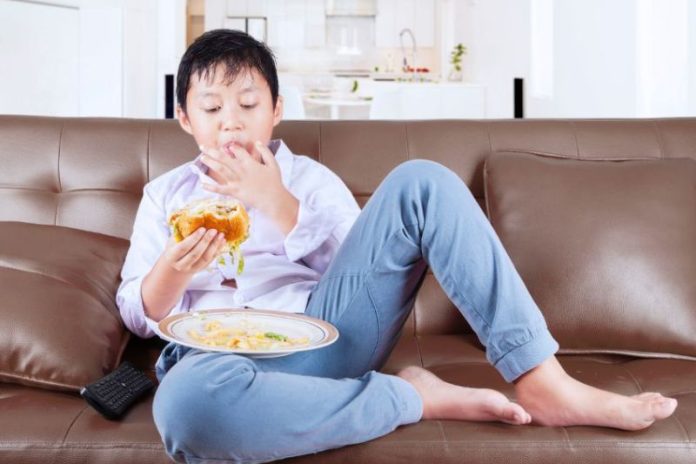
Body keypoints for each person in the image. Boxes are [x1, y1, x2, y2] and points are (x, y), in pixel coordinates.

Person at [116, 29, 678, 464]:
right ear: (186, 119)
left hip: (323, 344)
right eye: (213, 110)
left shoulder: (309, 179)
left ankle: (545, 383)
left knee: (423, 181)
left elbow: (362, 275)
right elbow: (142, 316)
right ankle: (412, 398)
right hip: (216, 364)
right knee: (186, 410)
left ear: (277, 110)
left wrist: (279, 203)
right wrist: (174, 267)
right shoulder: (165, 197)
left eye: (248, 105)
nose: (231, 125)